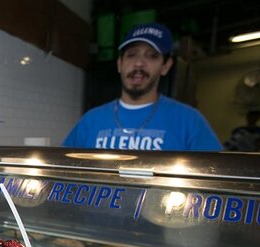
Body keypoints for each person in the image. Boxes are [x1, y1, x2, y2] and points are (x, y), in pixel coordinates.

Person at [63, 23, 222, 151]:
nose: (139, 63)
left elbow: (217, 180)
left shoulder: (190, 121)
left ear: (166, 65)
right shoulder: (90, 121)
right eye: (132, 55)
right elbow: (63, 173)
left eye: (151, 55)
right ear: (120, 64)